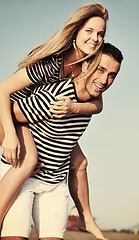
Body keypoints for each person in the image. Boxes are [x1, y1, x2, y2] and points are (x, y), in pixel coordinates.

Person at [0, 3, 108, 238]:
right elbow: (2, 91)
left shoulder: (87, 68)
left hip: (41, 121)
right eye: (89, 31)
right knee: (28, 160)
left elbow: (97, 104)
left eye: (100, 33)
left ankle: (86, 218)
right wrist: (8, 134)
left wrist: (74, 107)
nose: (95, 38)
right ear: (76, 30)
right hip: (10, 115)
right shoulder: (52, 62)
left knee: (80, 162)